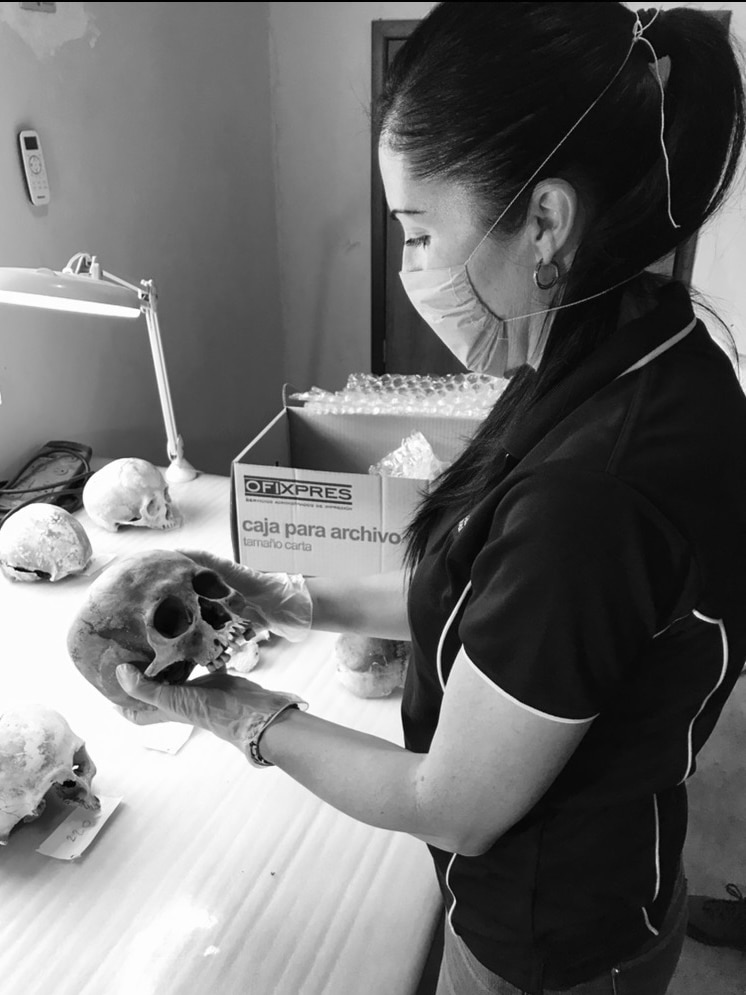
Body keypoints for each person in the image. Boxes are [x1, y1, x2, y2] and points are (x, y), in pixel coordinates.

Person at [115, 4, 746, 993]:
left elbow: (452, 799)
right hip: (621, 857)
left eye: (415, 233)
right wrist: (283, 596)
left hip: (552, 942)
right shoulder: (613, 344)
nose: (408, 271)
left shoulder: (598, 488)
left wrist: (238, 711)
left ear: (543, 221)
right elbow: (475, 588)